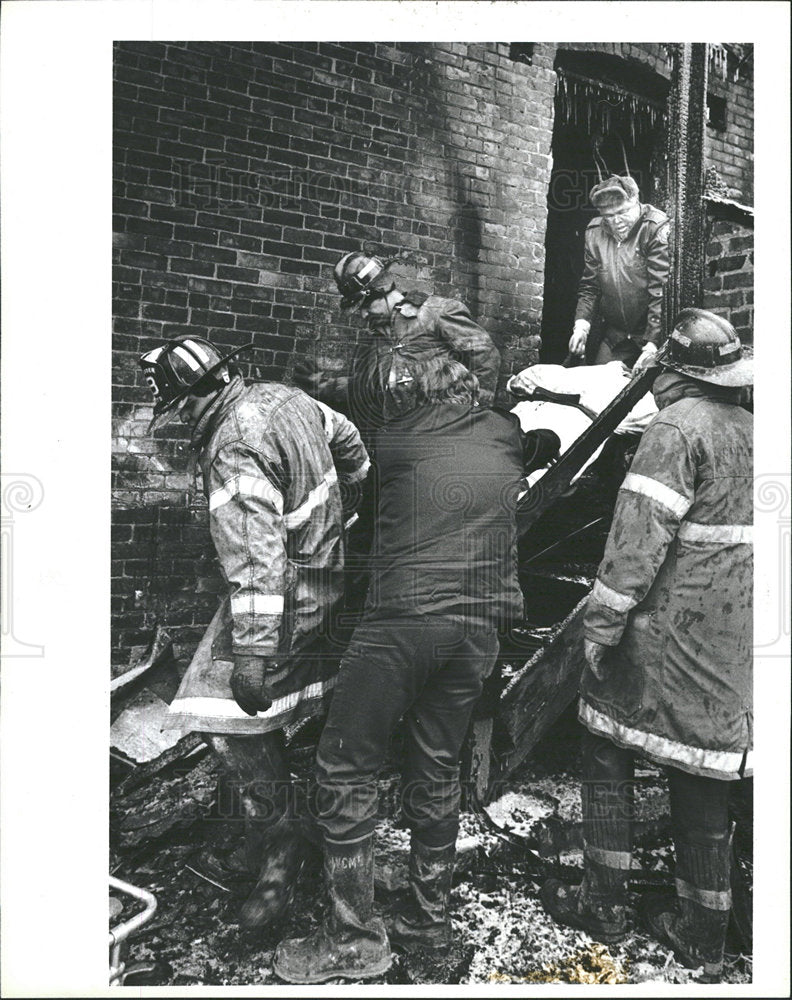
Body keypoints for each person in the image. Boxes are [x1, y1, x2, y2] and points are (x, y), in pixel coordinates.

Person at [273, 358, 554, 984]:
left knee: (345, 765)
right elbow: (547, 440)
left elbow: (364, 522)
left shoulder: (394, 439)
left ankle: (352, 940)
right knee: (437, 765)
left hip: (404, 622)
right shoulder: (505, 432)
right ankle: (428, 918)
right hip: (479, 631)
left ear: (413, 398)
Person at [541, 310, 753, 983]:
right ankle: (704, 933)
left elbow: (636, 541)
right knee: (702, 768)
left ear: (675, 373)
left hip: (669, 633)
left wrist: (601, 628)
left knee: (604, 741)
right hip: (734, 640)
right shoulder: (758, 430)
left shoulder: (676, 429)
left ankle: (603, 901)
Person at [138, 335, 369, 930]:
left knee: (220, 715)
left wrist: (252, 654)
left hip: (283, 598)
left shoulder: (232, 447)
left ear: (196, 396)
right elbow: (350, 442)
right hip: (327, 579)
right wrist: (347, 505)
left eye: (180, 407)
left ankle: (280, 846)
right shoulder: (285, 398)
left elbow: (256, 558)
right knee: (290, 711)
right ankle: (296, 831)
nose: (182, 419)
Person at [295, 250, 502, 434]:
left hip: (444, 433)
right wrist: (323, 386)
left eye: (366, 305)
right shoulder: (376, 340)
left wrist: (474, 416)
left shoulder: (436, 313)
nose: (364, 314)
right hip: (401, 439)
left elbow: (486, 357)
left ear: (382, 290)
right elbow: (365, 388)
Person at [508, 338, 658, 490]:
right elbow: (654, 419)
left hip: (535, 422)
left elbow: (516, 383)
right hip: (561, 433)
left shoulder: (578, 373)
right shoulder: (635, 396)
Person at [569, 175, 670, 368]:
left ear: (636, 200)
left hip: (651, 332)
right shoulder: (594, 233)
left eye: (622, 212)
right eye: (608, 216)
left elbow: (660, 289)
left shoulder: (654, 227)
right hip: (617, 334)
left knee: (653, 384)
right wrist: (581, 327)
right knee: (595, 379)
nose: (616, 222)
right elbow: (590, 287)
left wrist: (652, 343)